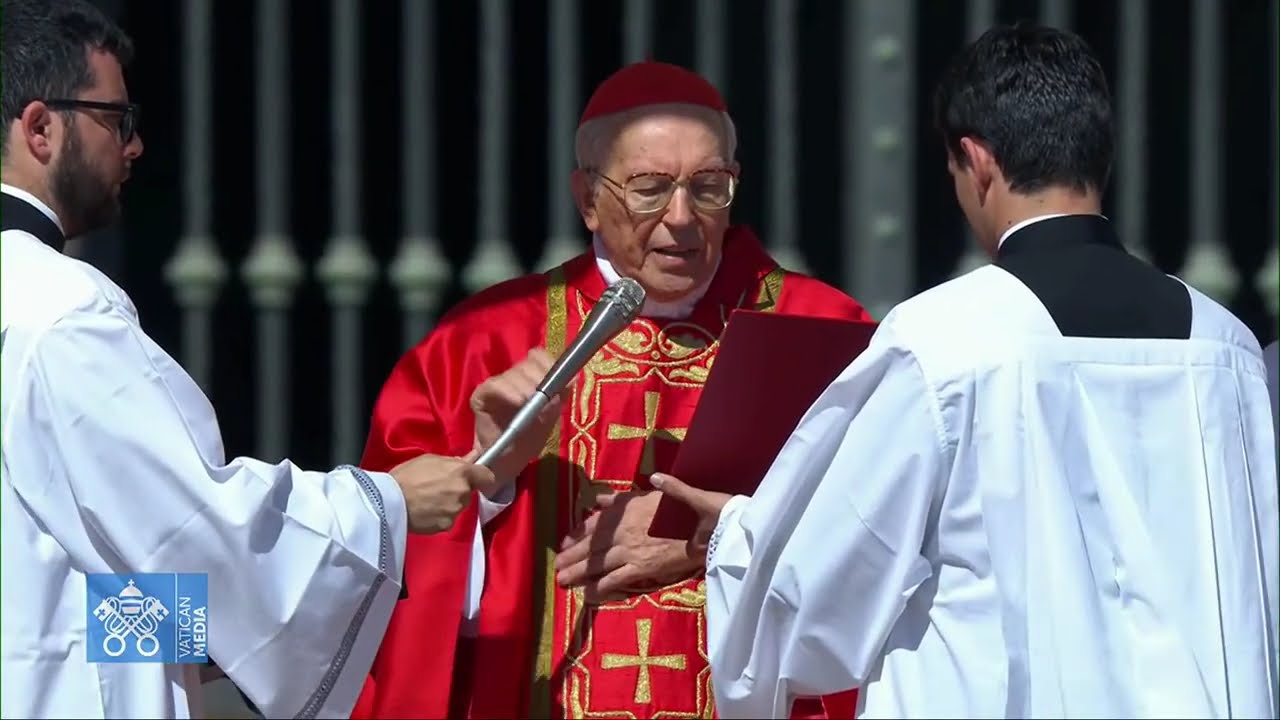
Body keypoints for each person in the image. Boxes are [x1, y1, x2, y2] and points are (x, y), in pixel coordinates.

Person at [654, 23, 1280, 719]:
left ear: (976, 160)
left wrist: (742, 538)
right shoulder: (1226, 348)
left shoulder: (947, 340)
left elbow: (821, 590)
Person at [0, 1, 529, 717]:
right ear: (39, 128)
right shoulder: (60, 312)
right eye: (115, 120)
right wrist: (390, 507)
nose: (134, 147)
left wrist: (224, 635)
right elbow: (202, 534)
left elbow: (54, 598)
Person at [352, 61, 871, 719]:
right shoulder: (480, 345)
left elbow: (884, 534)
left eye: (708, 187)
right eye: (650, 188)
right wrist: (491, 485)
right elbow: (383, 556)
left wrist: (714, 543)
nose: (682, 218)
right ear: (588, 197)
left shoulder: (822, 332)